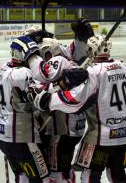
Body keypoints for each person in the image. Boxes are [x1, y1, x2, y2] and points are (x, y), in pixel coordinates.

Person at [25, 35, 126, 183]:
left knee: (89, 176)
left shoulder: (94, 71)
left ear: (91, 50)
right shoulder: (123, 66)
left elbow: (76, 101)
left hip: (100, 137)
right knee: (117, 174)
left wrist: (48, 100)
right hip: (123, 135)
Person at [20, 18, 94, 183]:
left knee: (57, 173)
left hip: (62, 130)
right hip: (71, 128)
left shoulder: (52, 58)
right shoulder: (61, 56)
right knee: (63, 171)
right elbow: (77, 54)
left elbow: (41, 87)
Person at [0, 36, 50, 183]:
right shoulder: (23, 73)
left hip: (1, 134)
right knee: (40, 178)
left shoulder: (4, 68)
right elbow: (40, 96)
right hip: (21, 137)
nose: (32, 58)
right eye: (30, 54)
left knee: (21, 175)